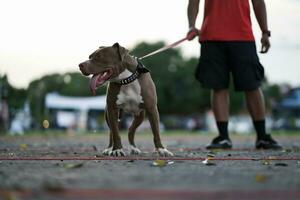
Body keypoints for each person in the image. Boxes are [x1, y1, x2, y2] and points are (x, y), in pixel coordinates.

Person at [186, 0, 282, 149]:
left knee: (252, 85)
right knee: (218, 87)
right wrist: (191, 26)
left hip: (242, 36)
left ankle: (262, 136)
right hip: (212, 37)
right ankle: (223, 137)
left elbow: (258, 2)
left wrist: (265, 31)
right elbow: (193, 2)